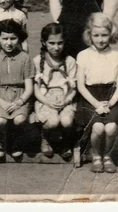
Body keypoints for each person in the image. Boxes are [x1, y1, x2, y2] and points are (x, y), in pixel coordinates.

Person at [75, 13, 118, 174]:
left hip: (111, 98)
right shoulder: (83, 56)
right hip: (90, 98)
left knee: (111, 128)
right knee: (98, 127)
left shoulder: (117, 56)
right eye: (96, 35)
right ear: (89, 35)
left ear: (111, 34)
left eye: (104, 35)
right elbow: (81, 86)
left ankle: (107, 156)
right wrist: (97, 104)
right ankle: (96, 155)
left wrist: (110, 104)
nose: (100, 40)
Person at [0, 19, 34, 159]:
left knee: (19, 119)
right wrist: (2, 103)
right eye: (4, 38)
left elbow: (29, 88)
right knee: (1, 121)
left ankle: (15, 140)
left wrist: (19, 102)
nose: (9, 42)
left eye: (13, 38)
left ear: (19, 38)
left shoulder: (25, 58)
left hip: (19, 95)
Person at [33, 23, 77, 159]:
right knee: (52, 122)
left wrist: (66, 100)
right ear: (44, 42)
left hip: (65, 98)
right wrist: (47, 102)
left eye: (60, 43)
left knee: (66, 121)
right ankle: (46, 138)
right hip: (45, 99)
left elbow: (74, 87)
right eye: (51, 43)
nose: (56, 47)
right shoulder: (37, 61)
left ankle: (65, 143)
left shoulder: (70, 61)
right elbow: (36, 89)